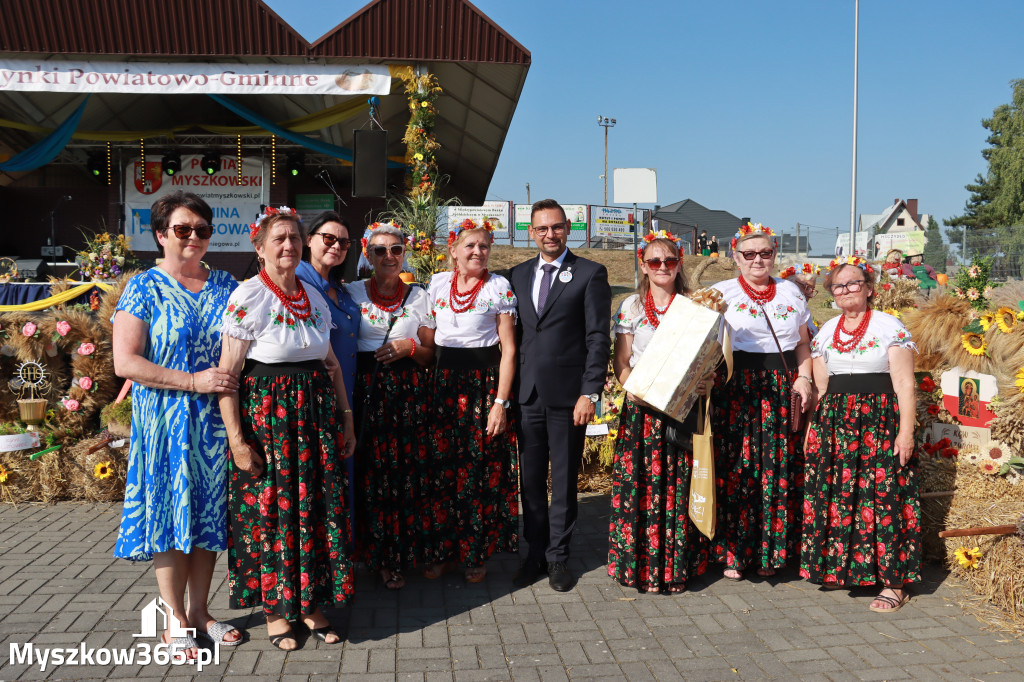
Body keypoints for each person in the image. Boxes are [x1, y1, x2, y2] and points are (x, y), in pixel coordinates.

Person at [218, 207, 356, 651]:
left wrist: (347, 419)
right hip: (270, 424)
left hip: (314, 422)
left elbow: (330, 364)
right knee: (272, 514)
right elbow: (229, 376)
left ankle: (312, 603)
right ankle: (277, 611)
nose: (289, 246)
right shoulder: (248, 297)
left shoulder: (315, 299)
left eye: (294, 238)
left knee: (315, 509)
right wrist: (238, 441)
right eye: (279, 238)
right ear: (259, 248)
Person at [112, 190, 242, 658]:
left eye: (202, 230)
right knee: (171, 518)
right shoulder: (143, 287)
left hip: (214, 424)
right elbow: (124, 362)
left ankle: (203, 610)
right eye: (183, 229)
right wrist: (191, 381)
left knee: (208, 519)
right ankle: (175, 618)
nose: (193, 237)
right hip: (165, 425)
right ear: (161, 234)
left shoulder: (227, 284)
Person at [800, 256, 919, 612]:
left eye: (854, 283)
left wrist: (906, 432)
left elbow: (905, 383)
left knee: (884, 495)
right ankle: (846, 569)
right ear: (832, 294)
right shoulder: (827, 330)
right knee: (839, 493)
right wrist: (811, 429)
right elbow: (820, 387)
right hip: (834, 424)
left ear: (869, 289)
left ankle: (894, 583)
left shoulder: (889, 326)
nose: (846, 290)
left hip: (879, 421)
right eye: (839, 286)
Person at [509, 199, 612, 591]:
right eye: (541, 228)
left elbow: (598, 337)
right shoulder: (517, 275)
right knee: (531, 479)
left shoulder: (589, 273)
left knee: (565, 479)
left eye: (556, 227)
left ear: (567, 227)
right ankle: (534, 552)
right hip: (527, 393)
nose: (549, 235)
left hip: (570, 396)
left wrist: (591, 392)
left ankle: (558, 557)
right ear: (530, 232)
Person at [608, 231, 711, 594]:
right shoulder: (630, 308)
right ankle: (641, 568)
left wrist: (705, 381)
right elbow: (622, 361)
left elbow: (708, 358)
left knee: (679, 489)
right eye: (655, 261)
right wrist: (632, 389)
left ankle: (674, 569)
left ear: (679, 263)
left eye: (669, 260)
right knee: (642, 488)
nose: (663, 267)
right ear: (644, 266)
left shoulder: (694, 306)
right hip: (643, 410)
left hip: (683, 408)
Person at [710, 222, 813, 581]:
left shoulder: (791, 292)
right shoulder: (719, 293)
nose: (758, 260)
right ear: (735, 258)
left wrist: (804, 377)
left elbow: (803, 343)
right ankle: (735, 552)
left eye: (765, 253)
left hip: (780, 388)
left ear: (774, 255)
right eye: (749, 254)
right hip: (735, 387)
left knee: (776, 468)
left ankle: (772, 551)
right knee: (737, 469)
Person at [423, 217, 518, 584]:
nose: (478, 252)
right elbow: (429, 339)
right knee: (443, 470)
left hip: (482, 385)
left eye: (484, 246)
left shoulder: (498, 287)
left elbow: (508, 350)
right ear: (454, 251)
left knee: (477, 472)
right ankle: (445, 552)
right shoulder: (435, 285)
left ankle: (475, 552)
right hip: (443, 385)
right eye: (470, 246)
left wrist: (500, 403)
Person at [348, 223, 435, 590]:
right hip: (363, 393)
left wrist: (409, 348)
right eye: (380, 250)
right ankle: (376, 557)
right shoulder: (350, 293)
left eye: (396, 250)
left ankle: (403, 552)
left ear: (405, 254)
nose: (388, 257)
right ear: (367, 253)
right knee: (369, 474)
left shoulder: (420, 297)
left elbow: (431, 355)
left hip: (407, 396)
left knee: (403, 476)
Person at [296, 210, 361, 526]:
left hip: (347, 395)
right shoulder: (298, 281)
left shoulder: (341, 288)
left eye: (344, 242)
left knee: (341, 477)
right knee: (318, 482)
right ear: (309, 240)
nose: (336, 246)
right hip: (315, 398)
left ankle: (343, 561)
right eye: (329, 238)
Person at [781, 263, 821, 337]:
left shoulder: (805, 313)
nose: (811, 294)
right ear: (790, 283)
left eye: (812, 289)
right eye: (807, 287)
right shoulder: (780, 312)